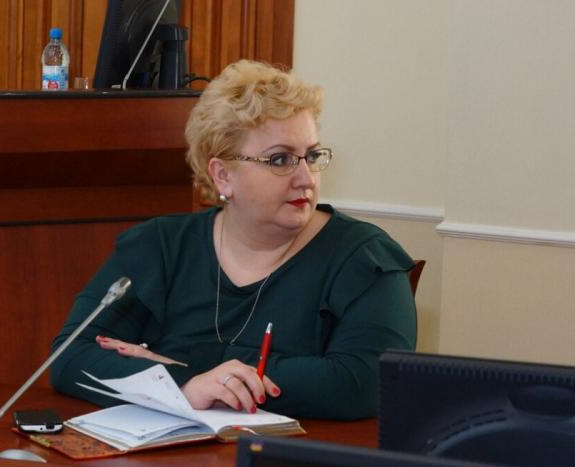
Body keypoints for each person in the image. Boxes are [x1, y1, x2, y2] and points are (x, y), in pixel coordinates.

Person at [50, 60, 416, 420]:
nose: (306, 178)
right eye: (280, 160)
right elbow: (69, 357)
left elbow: (366, 383)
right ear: (223, 175)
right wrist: (187, 386)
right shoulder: (159, 246)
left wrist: (183, 369)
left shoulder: (363, 258)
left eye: (311, 155)